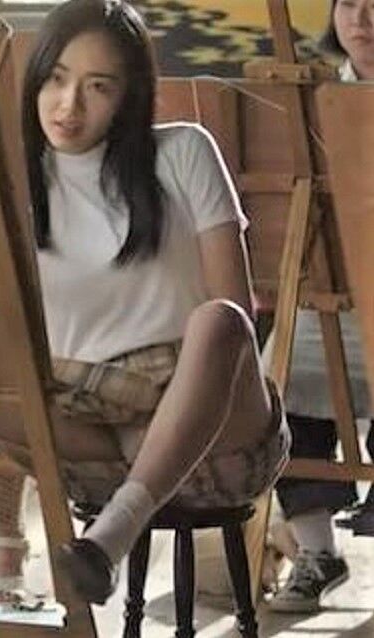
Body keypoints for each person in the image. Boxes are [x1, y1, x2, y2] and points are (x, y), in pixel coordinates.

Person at [0, 0, 291, 610]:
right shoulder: (2, 175)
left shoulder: (185, 150)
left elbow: (236, 312)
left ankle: (111, 539)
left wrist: (157, 412)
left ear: (129, 96)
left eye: (98, 86)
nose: (69, 105)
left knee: (221, 321)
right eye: (56, 79)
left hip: (212, 432)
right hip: (85, 433)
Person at [268, 0, 374, 614]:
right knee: (275, 387)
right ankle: (316, 552)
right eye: (348, 4)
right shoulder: (303, 104)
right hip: (327, 297)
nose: (361, 19)